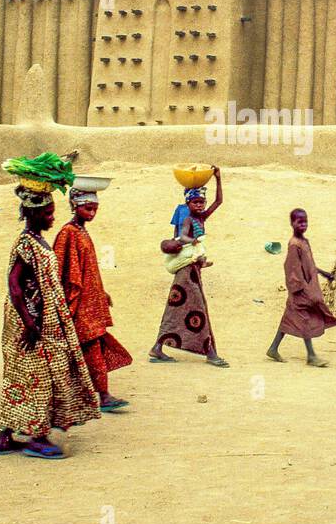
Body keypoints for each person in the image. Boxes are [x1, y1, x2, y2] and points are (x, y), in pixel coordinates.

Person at [0, 153, 102, 459]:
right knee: (38, 376)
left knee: (24, 374)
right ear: (35, 214)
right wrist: (31, 323)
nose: (53, 218)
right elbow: (14, 285)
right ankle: (37, 437)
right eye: (49, 213)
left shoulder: (38, 241)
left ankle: (5, 437)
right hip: (31, 322)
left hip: (42, 319)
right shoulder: (26, 243)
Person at [52, 185, 132, 410]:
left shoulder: (82, 232)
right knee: (89, 347)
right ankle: (101, 396)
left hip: (90, 303)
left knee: (90, 347)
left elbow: (88, 269)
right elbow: (60, 267)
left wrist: (101, 292)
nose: (92, 213)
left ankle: (96, 395)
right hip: (77, 304)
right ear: (75, 206)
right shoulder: (68, 233)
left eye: (95, 208)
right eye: (88, 208)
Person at [150, 166, 229, 367]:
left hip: (192, 270)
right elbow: (183, 236)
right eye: (196, 202)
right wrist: (191, 242)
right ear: (188, 202)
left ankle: (158, 348)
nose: (200, 205)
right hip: (187, 270)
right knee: (198, 308)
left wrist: (218, 179)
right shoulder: (187, 219)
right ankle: (210, 353)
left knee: (176, 309)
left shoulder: (200, 218)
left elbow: (219, 202)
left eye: (202, 201)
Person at [267, 208, 336, 366]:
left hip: (306, 287)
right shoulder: (294, 244)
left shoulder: (304, 242)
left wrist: (324, 273)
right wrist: (304, 289)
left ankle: (273, 348)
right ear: (292, 223)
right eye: (299, 222)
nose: (303, 225)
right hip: (300, 290)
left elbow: (310, 265)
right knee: (304, 319)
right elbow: (292, 268)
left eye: (305, 221)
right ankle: (311, 356)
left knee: (289, 319)